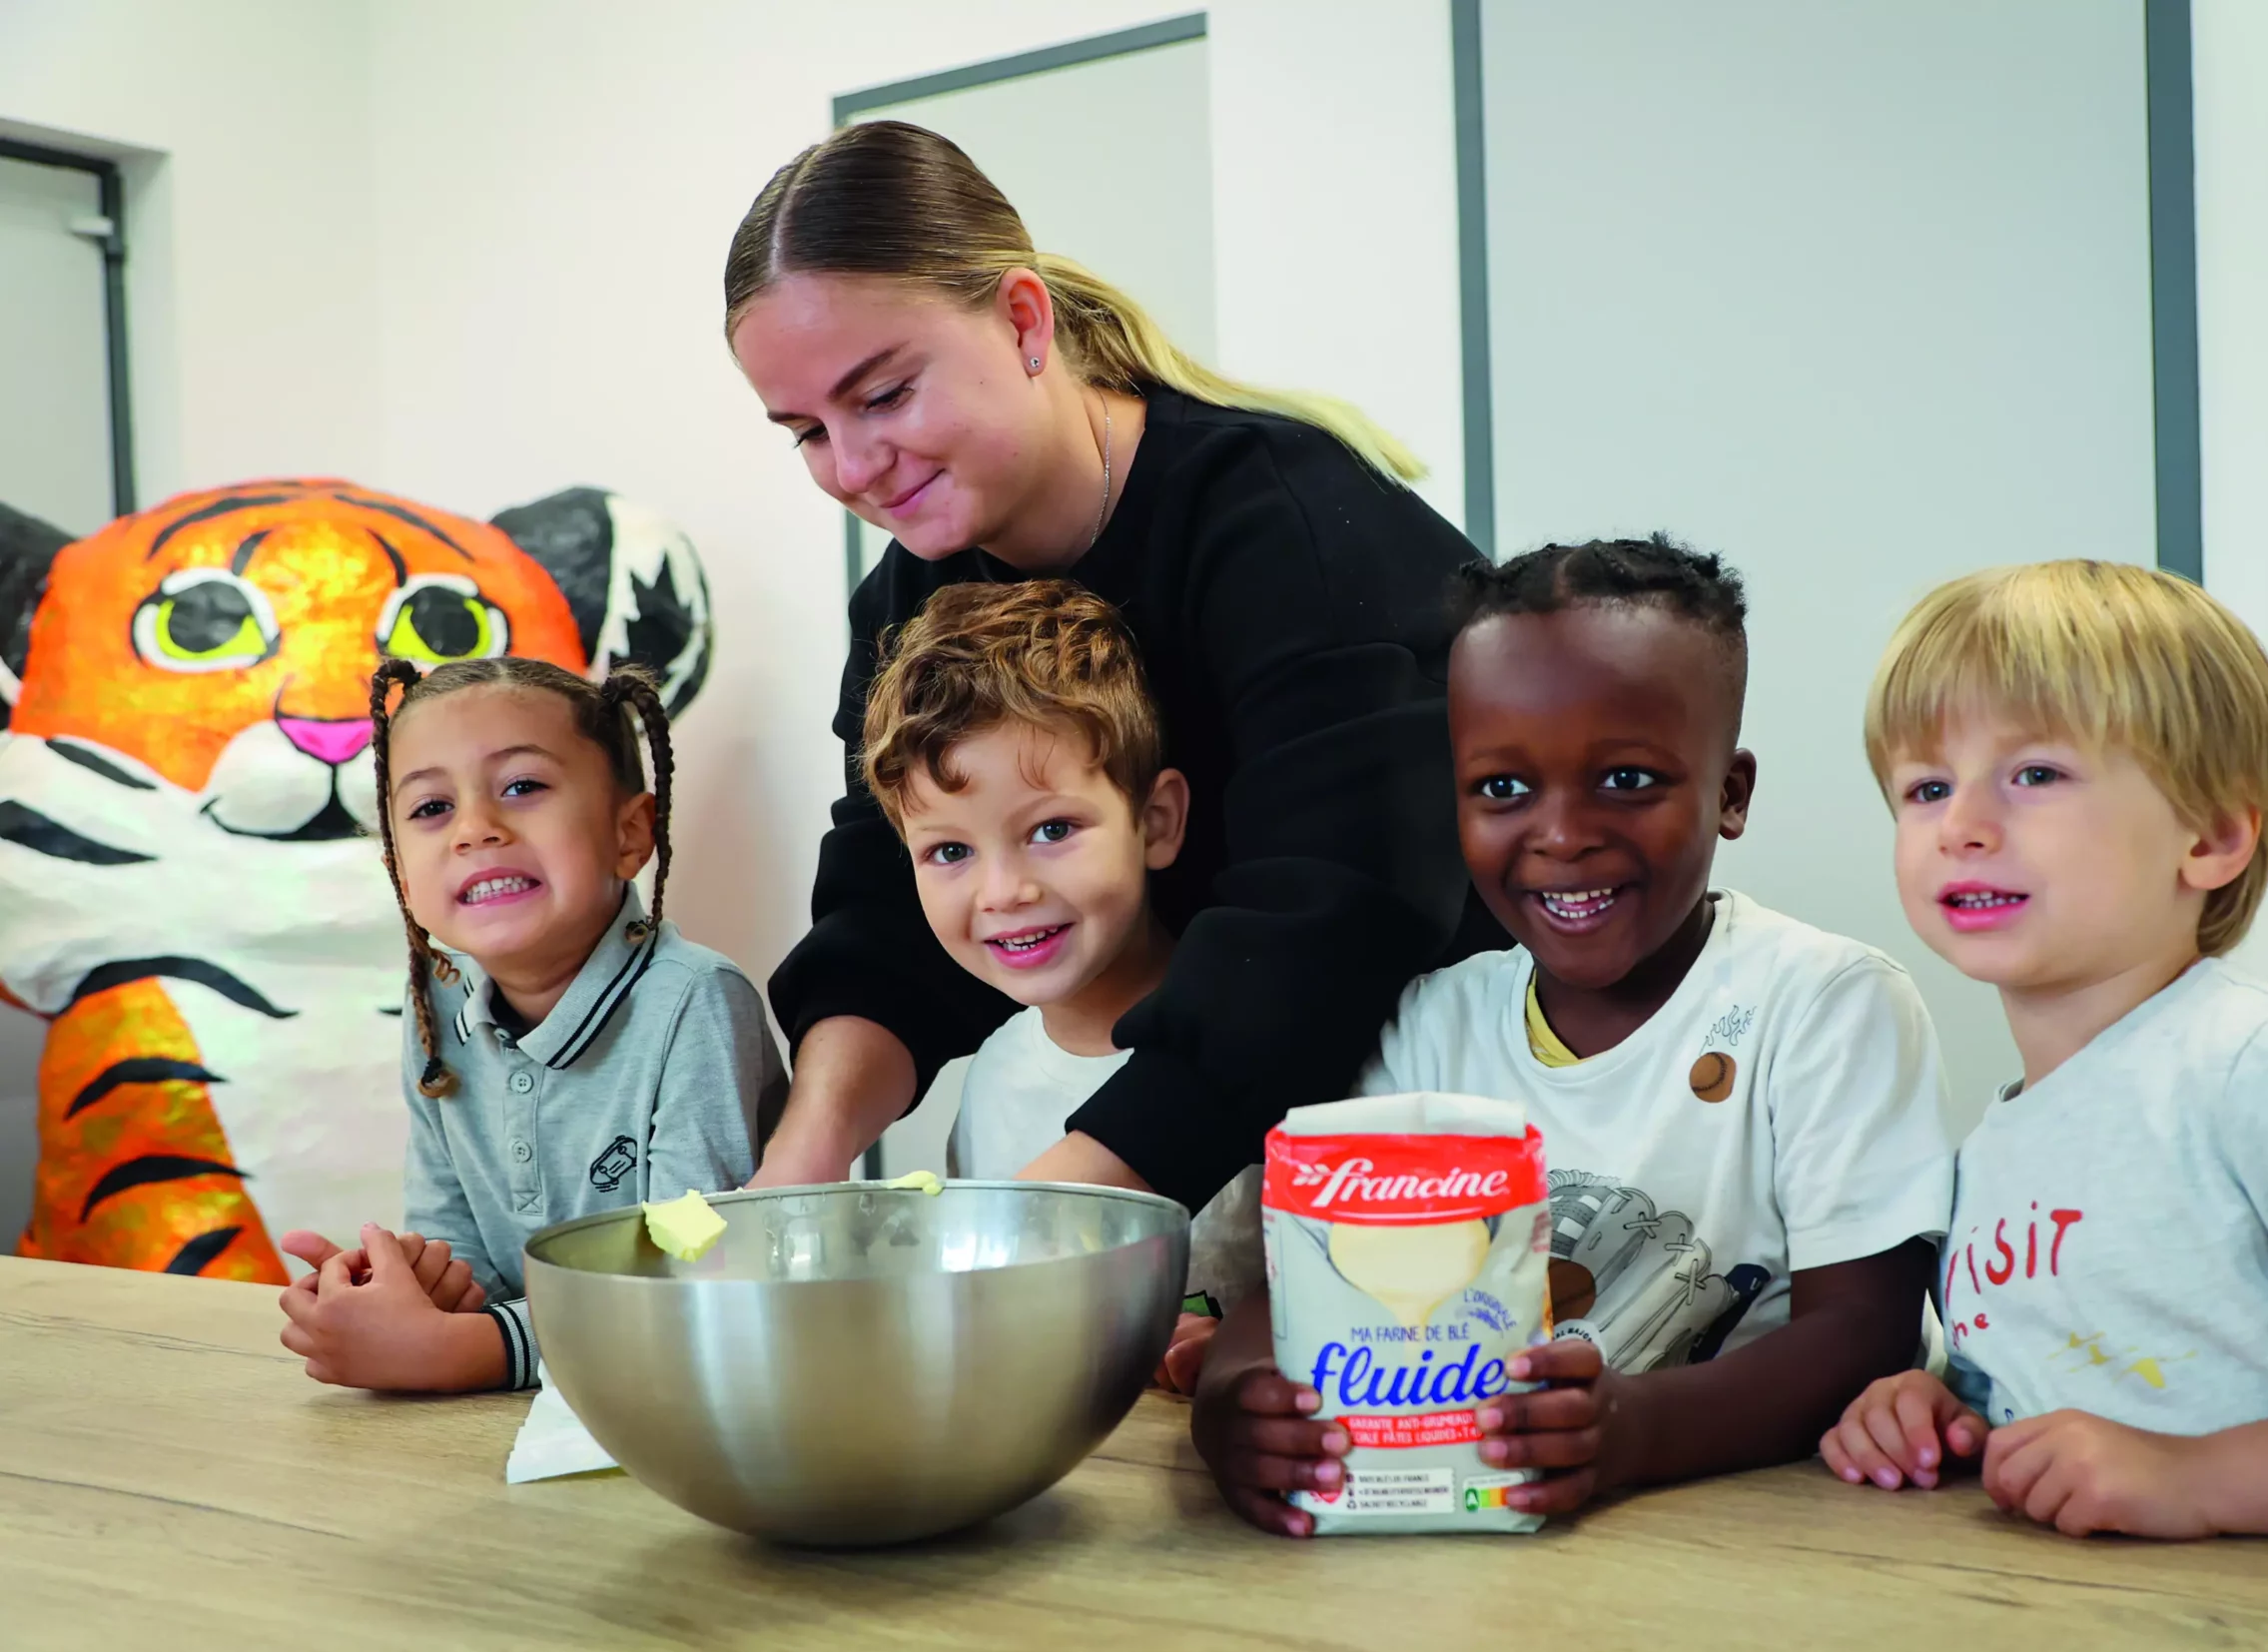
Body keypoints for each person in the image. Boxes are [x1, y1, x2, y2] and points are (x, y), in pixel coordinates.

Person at [725, 120, 1495, 1215]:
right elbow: (885, 912)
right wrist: (791, 1181)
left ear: (1024, 321)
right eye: (804, 430)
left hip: (1423, 1133)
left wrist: (1048, 1216)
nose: (851, 468)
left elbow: (1328, 933)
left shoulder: (1288, 529)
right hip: (1211, 1153)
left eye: (885, 395)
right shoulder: (908, 597)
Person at [1192, 537, 1956, 1534]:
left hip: (1772, 1540)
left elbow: (1863, 1332)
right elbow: (1313, 1277)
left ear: (1729, 792)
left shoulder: (1826, 1002)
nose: (1559, 833)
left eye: (1627, 779)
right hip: (1482, 1532)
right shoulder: (1431, 1024)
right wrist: (1236, 1402)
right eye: (1502, 789)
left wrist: (1630, 1432)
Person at [1822, 559, 2268, 1537]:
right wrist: (1948, 1411)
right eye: (1923, 788)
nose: (1960, 826)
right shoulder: (1993, 1149)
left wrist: (2198, 1479)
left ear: (2209, 837)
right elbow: (2092, 1382)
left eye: (2033, 773)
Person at [276, 658, 785, 1391]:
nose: (476, 829)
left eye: (522, 787)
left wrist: (459, 1350)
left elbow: (690, 1285)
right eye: (430, 809)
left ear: (630, 833)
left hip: (706, 1402)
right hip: (538, 1411)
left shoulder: (697, 1002)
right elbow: (463, 1250)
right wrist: (415, 1288)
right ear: (402, 873)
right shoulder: (436, 1000)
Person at [860, 578, 1260, 1386]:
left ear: (1156, 822)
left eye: (1051, 829)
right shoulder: (992, 1077)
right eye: (949, 851)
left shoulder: (1264, 1048)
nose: (1002, 891)